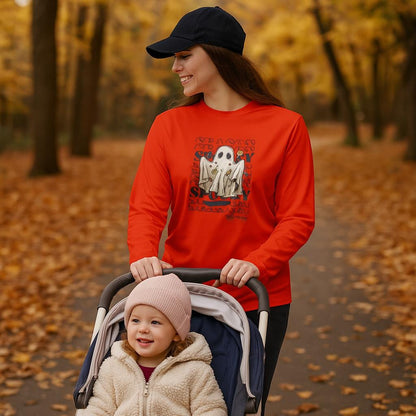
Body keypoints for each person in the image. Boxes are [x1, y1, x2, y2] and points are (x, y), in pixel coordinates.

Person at [127, 6, 315, 414]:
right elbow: (147, 206)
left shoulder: (286, 127)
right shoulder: (168, 126)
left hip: (255, 298)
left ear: (217, 55)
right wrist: (144, 253)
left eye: (184, 56)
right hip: (178, 296)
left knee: (237, 406)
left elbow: (298, 217)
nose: (175, 67)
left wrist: (257, 262)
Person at [78, 273, 227, 415]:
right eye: (135, 320)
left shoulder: (196, 372)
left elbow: (210, 409)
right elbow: (99, 408)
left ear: (176, 333)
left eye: (155, 322)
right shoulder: (112, 368)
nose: (143, 329)